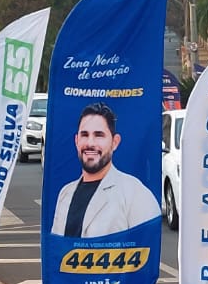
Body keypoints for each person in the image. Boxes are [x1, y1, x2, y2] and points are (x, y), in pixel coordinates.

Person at [50, 100, 160, 238]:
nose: (90, 143)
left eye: (99, 135)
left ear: (115, 142)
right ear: (76, 141)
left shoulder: (136, 194)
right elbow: (57, 250)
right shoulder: (65, 194)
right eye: (85, 135)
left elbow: (149, 247)